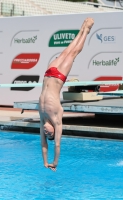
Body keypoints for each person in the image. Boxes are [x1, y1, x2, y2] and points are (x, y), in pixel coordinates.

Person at [39, 18, 94, 171]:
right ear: (54, 132)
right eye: (49, 134)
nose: (45, 132)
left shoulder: (42, 119)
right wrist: (54, 163)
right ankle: (86, 31)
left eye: (46, 134)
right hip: (58, 77)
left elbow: (43, 145)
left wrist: (44, 161)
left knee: (65, 51)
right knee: (72, 54)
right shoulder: (57, 121)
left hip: (48, 74)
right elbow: (56, 144)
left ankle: (81, 28)